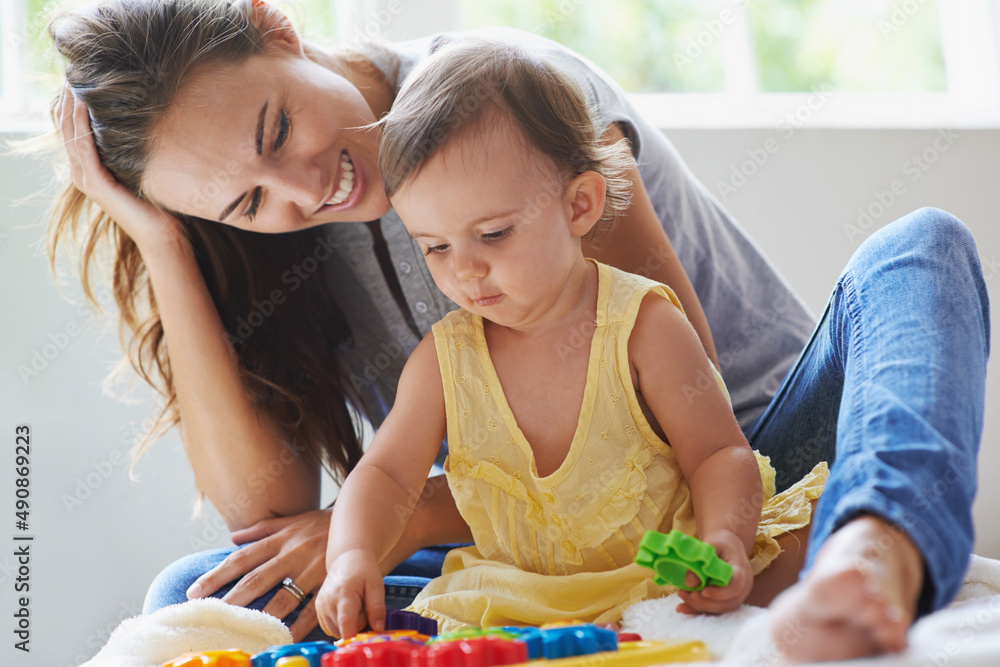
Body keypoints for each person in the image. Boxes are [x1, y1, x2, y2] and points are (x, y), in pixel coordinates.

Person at [47, 0, 988, 661]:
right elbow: (266, 508)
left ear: (278, 27)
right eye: (247, 201)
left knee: (920, 249)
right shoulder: (273, 239)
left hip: (743, 461)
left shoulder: (503, 98)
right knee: (199, 597)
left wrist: (401, 513)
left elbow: (651, 426)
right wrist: (165, 241)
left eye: (276, 127)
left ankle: (874, 545)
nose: (303, 189)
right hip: (527, 530)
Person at [313, 39, 829, 637]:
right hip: (520, 597)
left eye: (495, 233)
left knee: (808, 533)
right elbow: (384, 477)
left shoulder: (642, 325)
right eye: (435, 247)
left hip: (658, 576)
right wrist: (348, 558)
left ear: (580, 204)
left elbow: (717, 453)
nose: (465, 270)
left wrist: (724, 542)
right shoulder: (443, 362)